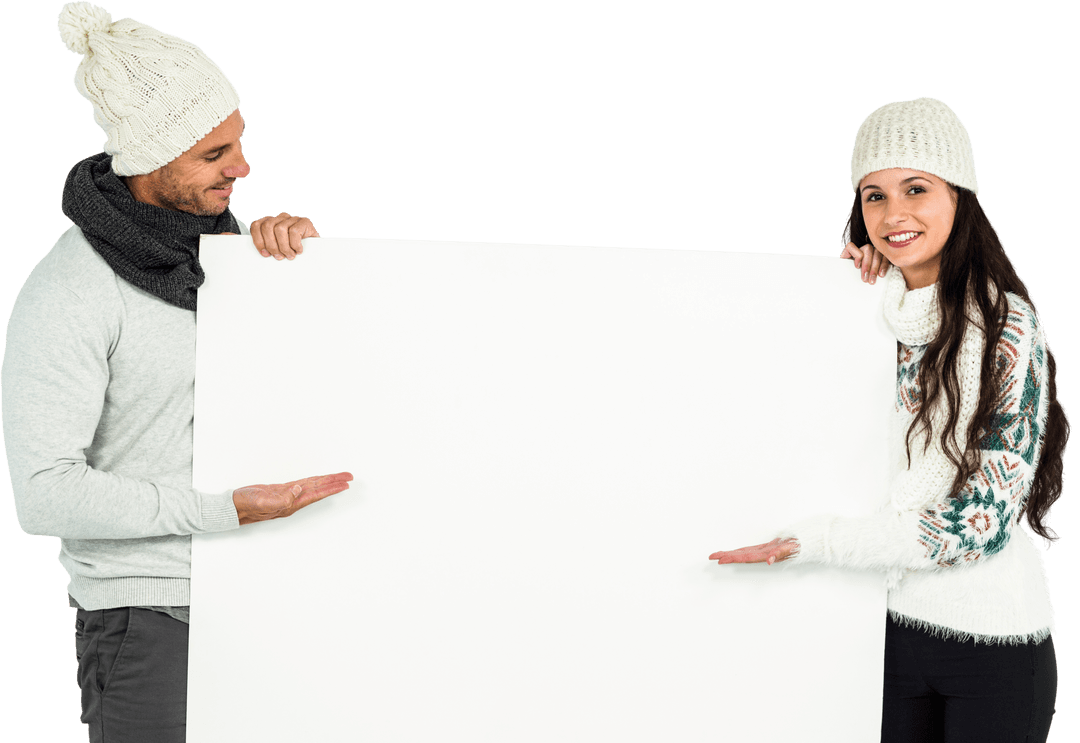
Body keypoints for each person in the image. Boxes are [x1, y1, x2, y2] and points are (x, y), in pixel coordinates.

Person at [1, 3, 352, 741]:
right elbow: (43, 495)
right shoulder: (69, 292)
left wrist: (304, 279)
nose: (244, 168)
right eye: (215, 153)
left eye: (242, 143)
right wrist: (226, 509)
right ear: (151, 159)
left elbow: (291, 395)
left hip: (275, 592)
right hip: (150, 624)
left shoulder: (226, 260)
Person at [708, 97, 1067, 742]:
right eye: (874, 196)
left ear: (960, 197)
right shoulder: (859, 313)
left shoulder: (1006, 326)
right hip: (873, 635)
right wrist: (835, 302)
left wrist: (814, 542)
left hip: (992, 644)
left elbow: (980, 524)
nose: (893, 214)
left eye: (917, 189)